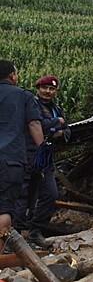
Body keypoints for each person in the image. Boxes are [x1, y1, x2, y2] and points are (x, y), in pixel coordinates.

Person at [13, 75, 71, 248]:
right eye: (44, 88)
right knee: (23, 194)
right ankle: (15, 235)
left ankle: (35, 231)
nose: (48, 91)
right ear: (38, 88)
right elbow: (37, 125)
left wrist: (57, 129)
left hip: (45, 157)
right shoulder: (31, 103)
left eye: (52, 89)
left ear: (56, 91)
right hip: (28, 153)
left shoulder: (56, 108)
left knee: (50, 193)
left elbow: (67, 130)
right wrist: (56, 124)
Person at [0, 59, 44, 252]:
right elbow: (34, 124)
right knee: (4, 207)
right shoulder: (23, 96)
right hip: (10, 159)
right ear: (12, 76)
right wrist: (43, 151)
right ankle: (1, 255)